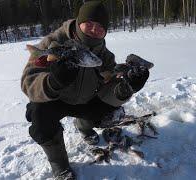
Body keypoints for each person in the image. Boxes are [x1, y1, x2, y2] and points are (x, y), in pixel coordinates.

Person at [21, 1, 149, 180]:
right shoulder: (53, 43)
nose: (94, 30)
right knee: (38, 115)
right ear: (79, 21)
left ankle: (84, 124)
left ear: (105, 31)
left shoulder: (105, 56)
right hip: (56, 100)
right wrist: (53, 82)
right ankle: (60, 165)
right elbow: (28, 81)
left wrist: (127, 87)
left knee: (113, 113)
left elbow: (108, 89)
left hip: (86, 101)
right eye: (89, 23)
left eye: (100, 27)